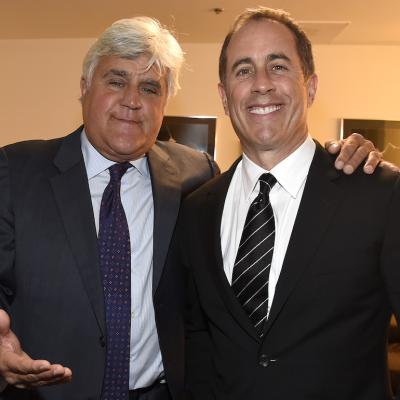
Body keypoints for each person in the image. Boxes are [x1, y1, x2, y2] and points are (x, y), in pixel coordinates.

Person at [0, 13, 383, 400]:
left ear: (165, 102)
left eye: (151, 88)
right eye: (116, 81)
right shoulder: (16, 172)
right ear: (84, 87)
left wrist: (351, 158)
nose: (132, 101)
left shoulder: (193, 178)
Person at [177, 7, 400, 400]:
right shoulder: (197, 209)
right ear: (224, 96)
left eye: (278, 66)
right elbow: (199, 343)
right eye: (243, 70)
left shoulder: (380, 194)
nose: (261, 84)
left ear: (310, 87)